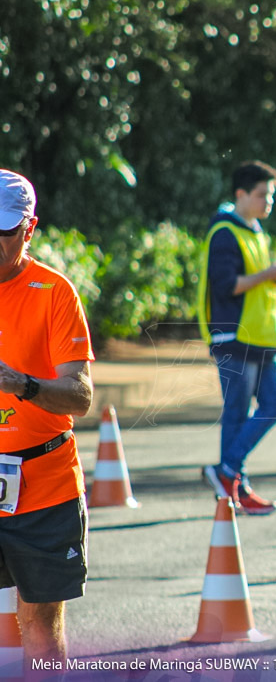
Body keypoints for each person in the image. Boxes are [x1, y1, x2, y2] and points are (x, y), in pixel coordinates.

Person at [0, 169, 93, 666]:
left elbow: (79, 396)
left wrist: (23, 384)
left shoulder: (54, 293)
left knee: (39, 621)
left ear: (28, 229)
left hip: (43, 483)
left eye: (4, 231)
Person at [198, 161, 276, 516]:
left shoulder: (253, 229)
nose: (267, 201)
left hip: (261, 335)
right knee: (238, 413)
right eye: (261, 194)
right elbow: (228, 286)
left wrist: (272, 276)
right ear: (240, 194)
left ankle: (227, 474)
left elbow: (250, 280)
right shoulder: (224, 232)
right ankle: (231, 481)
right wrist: (268, 274)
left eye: (270, 195)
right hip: (234, 336)